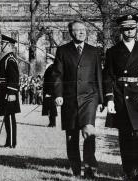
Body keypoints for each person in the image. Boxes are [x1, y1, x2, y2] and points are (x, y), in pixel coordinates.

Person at [103, 14, 138, 180]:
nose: (129, 31)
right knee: (125, 134)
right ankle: (128, 169)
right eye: (126, 29)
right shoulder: (112, 51)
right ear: (121, 30)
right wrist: (109, 98)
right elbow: (108, 76)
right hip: (121, 96)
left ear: (137, 29)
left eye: (132, 28)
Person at [52, 20, 104, 179]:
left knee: (89, 131)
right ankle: (75, 169)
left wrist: (101, 99)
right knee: (71, 136)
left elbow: (98, 76)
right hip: (69, 99)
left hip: (89, 98)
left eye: (83, 30)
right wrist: (58, 94)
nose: (81, 32)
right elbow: (57, 75)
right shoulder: (62, 51)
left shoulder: (94, 51)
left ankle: (89, 168)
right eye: (77, 30)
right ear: (70, 33)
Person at [0, 34, 20, 148]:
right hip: (3, 92)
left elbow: (14, 78)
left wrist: (11, 93)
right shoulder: (5, 58)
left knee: (10, 117)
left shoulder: (10, 59)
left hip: (9, 93)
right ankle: (8, 141)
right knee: (7, 116)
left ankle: (11, 142)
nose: (1, 45)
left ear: (9, 45)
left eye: (3, 43)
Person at [42, 53, 57, 127]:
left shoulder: (52, 67)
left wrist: (49, 92)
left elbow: (52, 81)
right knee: (49, 107)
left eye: (48, 58)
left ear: (51, 59)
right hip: (48, 90)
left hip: (50, 91)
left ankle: (52, 123)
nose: (46, 60)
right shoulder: (49, 67)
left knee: (51, 107)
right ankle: (51, 122)